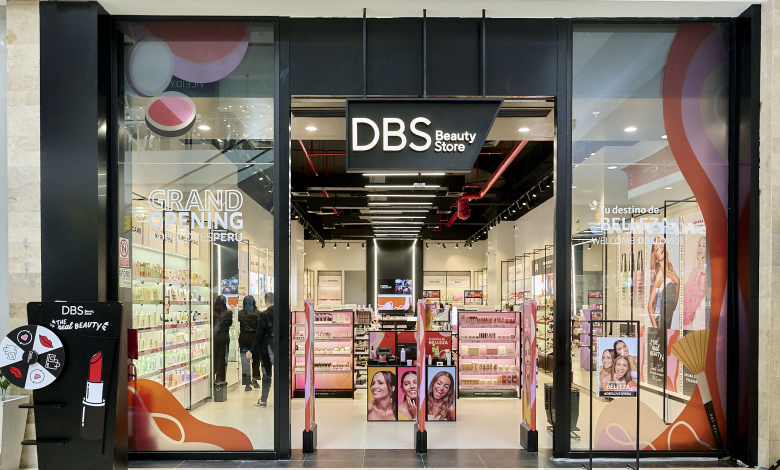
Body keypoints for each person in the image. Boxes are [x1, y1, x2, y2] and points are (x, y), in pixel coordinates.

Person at [247, 292, 274, 407]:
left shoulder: (263, 315)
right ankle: (282, 399)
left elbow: (259, 334)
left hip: (266, 348)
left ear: (265, 301)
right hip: (277, 348)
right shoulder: (280, 313)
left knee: (267, 374)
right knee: (281, 373)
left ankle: (263, 399)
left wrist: (251, 350)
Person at [647, 237, 680, 329]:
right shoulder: (660, 274)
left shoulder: (670, 270)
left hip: (668, 325)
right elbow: (650, 305)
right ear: (655, 258)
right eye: (657, 248)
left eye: (661, 244)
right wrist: (655, 328)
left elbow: (673, 305)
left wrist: (678, 283)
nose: (661, 247)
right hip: (661, 325)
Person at [682, 236, 708, 330]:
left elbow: (702, 288)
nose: (700, 248)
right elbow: (690, 287)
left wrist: (701, 263)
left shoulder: (707, 267)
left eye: (704, 246)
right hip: (692, 305)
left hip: (701, 304)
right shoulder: (696, 268)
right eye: (699, 245)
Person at [238, 295, 260, 391]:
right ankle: (255, 379)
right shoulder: (257, 313)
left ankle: (247, 383)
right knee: (256, 358)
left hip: (243, 337)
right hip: (254, 337)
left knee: (245, 360)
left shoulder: (240, 313)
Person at [212, 295, 231, 384]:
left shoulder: (213, 313)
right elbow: (230, 323)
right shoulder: (229, 313)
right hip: (224, 337)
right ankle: (220, 379)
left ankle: (212, 376)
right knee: (222, 359)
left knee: (214, 358)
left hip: (215, 337)